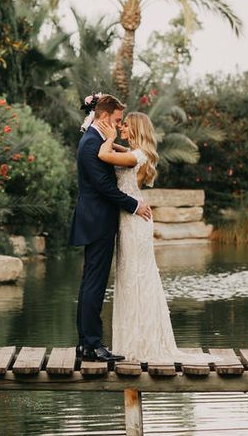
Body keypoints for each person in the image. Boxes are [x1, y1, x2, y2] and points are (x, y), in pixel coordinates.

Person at [94, 112, 219, 364]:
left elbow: (103, 155)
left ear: (137, 128)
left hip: (134, 222)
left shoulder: (136, 156)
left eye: (126, 125)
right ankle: (135, 339)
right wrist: (115, 140)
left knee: (137, 277)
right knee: (131, 277)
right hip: (131, 219)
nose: (122, 127)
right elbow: (120, 153)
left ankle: (143, 341)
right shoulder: (139, 153)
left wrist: (108, 137)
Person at [69, 93, 152, 362]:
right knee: (93, 284)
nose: (118, 125)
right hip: (98, 220)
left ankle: (86, 344)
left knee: (89, 283)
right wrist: (134, 205)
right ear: (103, 116)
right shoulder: (92, 142)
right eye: (117, 120)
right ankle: (92, 346)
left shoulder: (94, 140)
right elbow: (104, 187)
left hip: (96, 219)